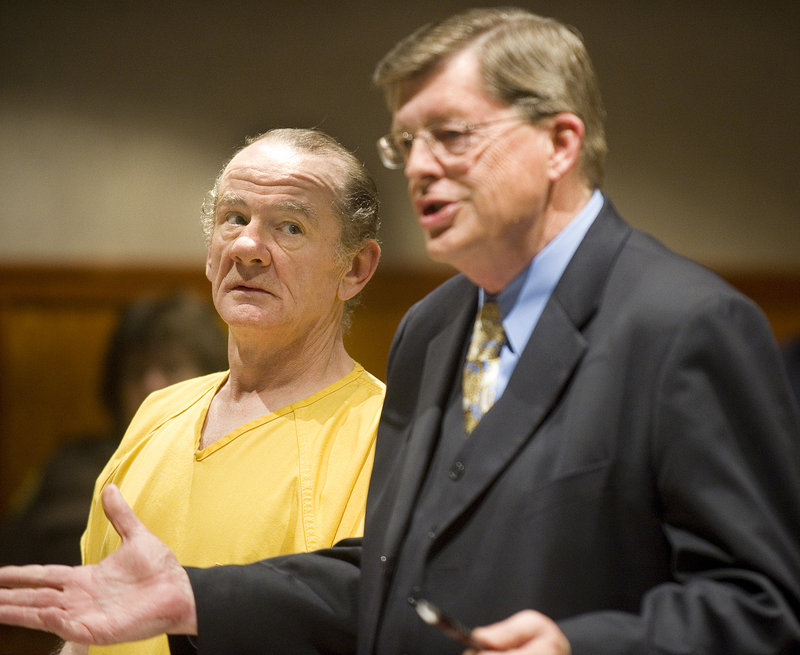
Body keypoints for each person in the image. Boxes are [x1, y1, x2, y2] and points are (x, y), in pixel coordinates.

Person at [1, 8, 799, 654]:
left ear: (559, 143)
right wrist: (194, 596)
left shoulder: (689, 323)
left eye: (450, 135)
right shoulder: (435, 327)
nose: (418, 166)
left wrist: (579, 645)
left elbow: (763, 604)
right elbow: (388, 579)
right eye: (406, 141)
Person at [59, 127, 384, 655]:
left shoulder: (384, 433)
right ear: (211, 252)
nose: (249, 247)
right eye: (234, 219)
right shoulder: (157, 411)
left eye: (290, 227)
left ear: (355, 267)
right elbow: (89, 631)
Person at [0, 292, 228, 568]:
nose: (151, 385)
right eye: (136, 371)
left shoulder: (231, 461)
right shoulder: (74, 471)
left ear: (213, 376)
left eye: (171, 366)